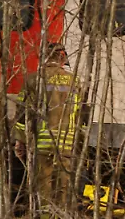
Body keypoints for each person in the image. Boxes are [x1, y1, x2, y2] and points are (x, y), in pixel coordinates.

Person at [13, 43, 82, 206]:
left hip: (42, 144)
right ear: (63, 58)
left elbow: (22, 112)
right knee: (63, 188)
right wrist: (80, 141)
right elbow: (81, 114)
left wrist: (20, 140)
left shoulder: (34, 79)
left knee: (43, 187)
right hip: (66, 144)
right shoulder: (75, 81)